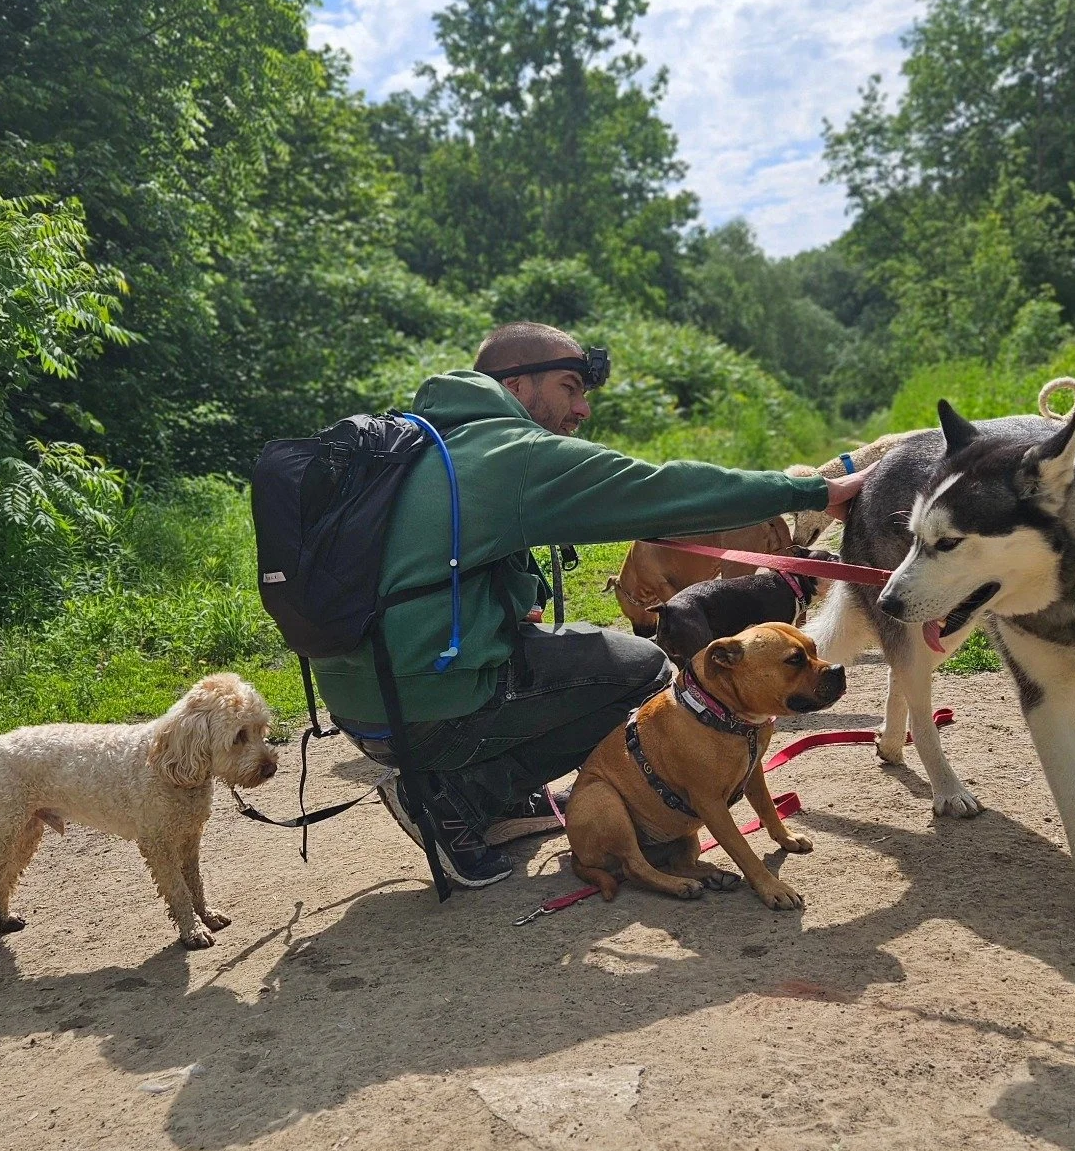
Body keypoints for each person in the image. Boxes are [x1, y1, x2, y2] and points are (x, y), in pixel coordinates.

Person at [312, 322, 871, 889]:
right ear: (517, 385)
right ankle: (454, 797)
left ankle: (488, 788)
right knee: (645, 669)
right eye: (569, 386)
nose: (581, 410)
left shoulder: (423, 442)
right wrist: (818, 492)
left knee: (574, 649)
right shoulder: (512, 453)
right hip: (421, 711)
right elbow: (663, 490)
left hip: (359, 700)